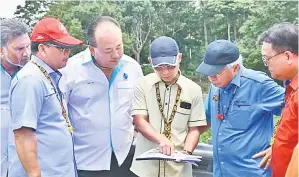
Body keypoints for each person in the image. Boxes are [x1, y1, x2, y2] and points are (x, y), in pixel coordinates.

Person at [60, 16, 143, 177]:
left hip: (125, 158)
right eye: (108, 50)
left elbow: (139, 110)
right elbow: (59, 116)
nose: (116, 54)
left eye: (119, 47)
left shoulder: (132, 68)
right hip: (86, 162)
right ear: (92, 49)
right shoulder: (70, 71)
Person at [195, 39, 285, 177]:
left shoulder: (259, 85)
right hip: (221, 172)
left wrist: (278, 146)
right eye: (208, 73)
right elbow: (206, 120)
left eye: (216, 73)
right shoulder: (215, 86)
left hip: (251, 171)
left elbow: (294, 112)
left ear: (235, 68)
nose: (211, 78)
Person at [8, 17, 83, 177]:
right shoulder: (30, 80)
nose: (67, 53)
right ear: (42, 49)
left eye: (69, 48)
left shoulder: (48, 76)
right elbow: (23, 135)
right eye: (62, 48)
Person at [130, 36, 207, 177]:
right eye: (159, 68)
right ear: (150, 61)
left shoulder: (193, 90)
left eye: (170, 67)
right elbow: (140, 121)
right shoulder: (142, 85)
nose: (165, 72)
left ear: (179, 58)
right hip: (145, 170)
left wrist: (186, 153)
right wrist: (162, 140)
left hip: (178, 170)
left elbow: (194, 129)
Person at [258, 22, 298, 177]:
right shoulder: (291, 87)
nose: (267, 64)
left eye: (268, 59)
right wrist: (276, 148)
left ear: (287, 56)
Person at [0, 18, 31, 177]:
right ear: (1, 50)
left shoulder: (36, 76)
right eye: (19, 48)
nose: (26, 53)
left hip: (25, 168)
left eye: (28, 46)